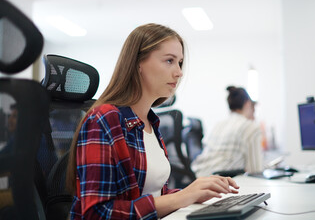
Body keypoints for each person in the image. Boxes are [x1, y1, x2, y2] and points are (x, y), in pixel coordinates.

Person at [66, 23, 239, 219]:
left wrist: (194, 193)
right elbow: (96, 214)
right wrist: (182, 198)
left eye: (180, 62)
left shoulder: (150, 122)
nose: (179, 72)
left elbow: (152, 196)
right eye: (169, 61)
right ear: (138, 63)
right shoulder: (104, 119)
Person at [191, 86, 264, 177]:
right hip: (218, 181)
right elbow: (255, 171)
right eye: (254, 109)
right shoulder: (251, 127)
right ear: (248, 104)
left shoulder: (219, 125)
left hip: (197, 176)